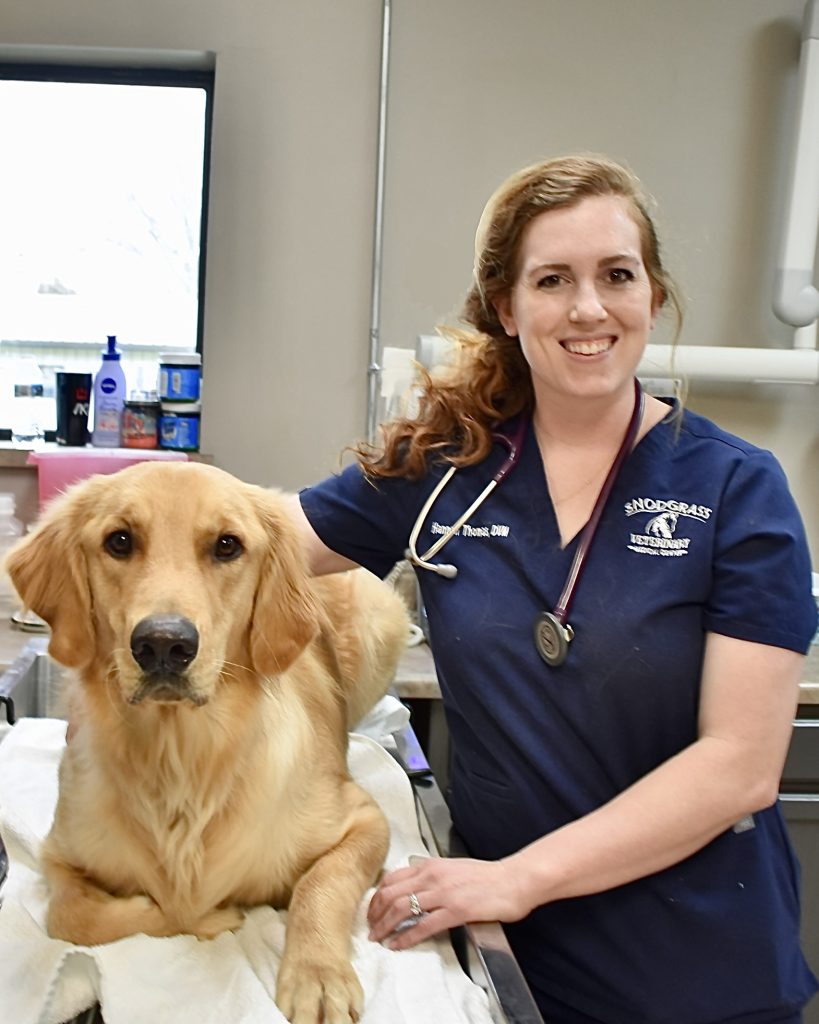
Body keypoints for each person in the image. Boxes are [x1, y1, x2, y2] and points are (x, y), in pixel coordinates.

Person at [288, 154, 819, 1024]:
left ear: (651, 296)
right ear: (506, 305)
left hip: (697, 972)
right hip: (516, 959)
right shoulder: (445, 468)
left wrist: (516, 880)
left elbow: (740, 767)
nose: (587, 307)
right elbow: (256, 544)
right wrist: (104, 534)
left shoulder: (735, 489)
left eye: (616, 275)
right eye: (552, 279)